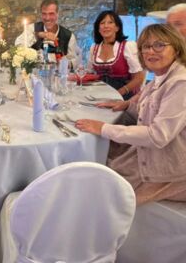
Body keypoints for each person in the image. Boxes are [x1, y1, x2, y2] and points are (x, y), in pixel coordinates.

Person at [76, 24, 186, 205]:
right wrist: (126, 105)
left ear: (176, 49)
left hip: (167, 170)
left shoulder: (180, 83)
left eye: (159, 45)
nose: (151, 51)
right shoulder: (160, 78)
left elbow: (157, 136)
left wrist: (103, 128)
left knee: (99, 191)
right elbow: (148, 112)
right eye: (146, 47)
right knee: (93, 163)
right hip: (149, 154)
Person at [87, 10, 145, 100]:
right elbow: (90, 73)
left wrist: (119, 92)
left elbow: (139, 78)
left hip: (123, 94)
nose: (106, 26)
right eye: (102, 23)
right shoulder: (94, 47)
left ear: (117, 28)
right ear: (98, 29)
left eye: (110, 22)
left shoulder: (128, 46)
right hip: (99, 93)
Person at [15, 0, 79, 67]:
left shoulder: (69, 36)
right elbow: (18, 47)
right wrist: (39, 34)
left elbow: (74, 63)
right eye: (44, 14)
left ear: (57, 14)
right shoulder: (32, 29)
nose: (47, 18)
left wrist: (59, 60)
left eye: (51, 14)